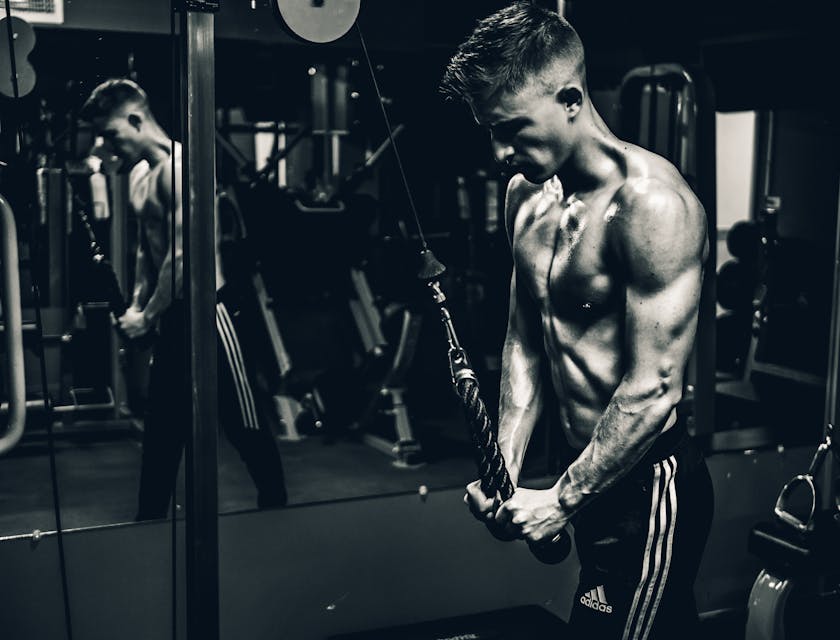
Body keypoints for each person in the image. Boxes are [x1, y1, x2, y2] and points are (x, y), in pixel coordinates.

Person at [441, 4, 713, 638]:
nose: (500, 152)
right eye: (490, 131)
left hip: (647, 488)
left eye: (511, 129)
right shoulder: (525, 196)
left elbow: (654, 389)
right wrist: (503, 465)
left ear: (569, 98)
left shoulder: (650, 207)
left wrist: (561, 499)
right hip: (582, 471)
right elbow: (525, 342)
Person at [80, 78, 287, 520]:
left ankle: (277, 513)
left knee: (244, 424)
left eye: (113, 134)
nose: (110, 148)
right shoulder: (138, 175)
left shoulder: (183, 168)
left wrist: (147, 314)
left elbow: (183, 256)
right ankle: (147, 525)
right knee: (160, 434)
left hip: (211, 315)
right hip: (172, 316)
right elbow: (145, 250)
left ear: (136, 119)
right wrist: (138, 306)